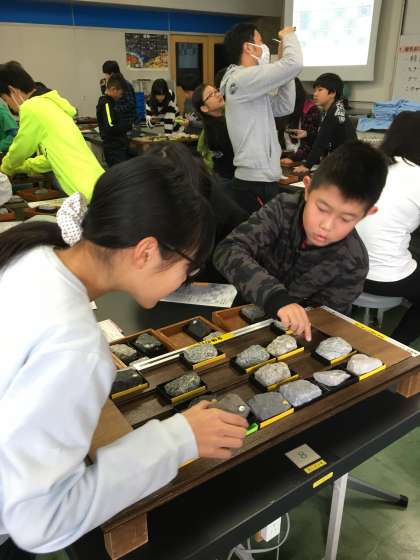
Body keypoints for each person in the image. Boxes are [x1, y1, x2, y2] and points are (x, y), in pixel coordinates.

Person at [0, 153, 247, 557]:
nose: (186, 279)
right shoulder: (75, 347)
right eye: (190, 267)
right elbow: (40, 522)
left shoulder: (32, 251)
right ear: (146, 252)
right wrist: (178, 439)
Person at [214, 141, 388, 340]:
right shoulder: (282, 209)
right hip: (243, 312)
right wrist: (276, 298)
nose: (326, 226)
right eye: (322, 209)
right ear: (307, 188)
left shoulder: (352, 262)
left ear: (367, 213)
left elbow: (326, 322)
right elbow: (228, 250)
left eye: (346, 218)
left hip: (293, 335)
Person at [220, 23, 302, 213]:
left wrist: (283, 67)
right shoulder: (242, 79)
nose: (264, 47)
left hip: (262, 179)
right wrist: (288, 36)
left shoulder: (248, 83)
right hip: (255, 182)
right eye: (260, 41)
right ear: (248, 47)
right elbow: (295, 64)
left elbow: (284, 106)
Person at [356, 112, 420, 345]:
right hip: (383, 278)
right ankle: (396, 345)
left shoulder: (370, 167)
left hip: (347, 268)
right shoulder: (416, 175)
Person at [0, 61, 104, 202]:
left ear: (12, 91)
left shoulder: (32, 107)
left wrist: (5, 168)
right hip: (99, 184)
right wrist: (21, 167)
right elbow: (50, 159)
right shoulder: (50, 105)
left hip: (84, 192)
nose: (8, 105)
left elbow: (21, 147)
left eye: (5, 99)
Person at [293, 73, 357, 175]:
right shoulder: (337, 108)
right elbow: (327, 135)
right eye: (315, 90)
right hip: (345, 160)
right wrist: (307, 134)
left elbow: (321, 143)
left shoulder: (333, 112)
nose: (315, 94)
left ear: (332, 93)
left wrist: (307, 165)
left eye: (320, 90)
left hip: (346, 165)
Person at [192, 84, 235, 180]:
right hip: (229, 178)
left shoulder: (211, 123)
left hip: (220, 175)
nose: (218, 94)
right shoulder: (218, 126)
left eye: (216, 91)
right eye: (211, 95)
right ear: (204, 108)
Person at [280, 78, 321, 165]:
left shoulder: (310, 109)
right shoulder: (282, 108)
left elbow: (311, 141)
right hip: (287, 157)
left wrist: (293, 158)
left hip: (305, 160)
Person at [96, 74, 131, 167]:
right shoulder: (106, 104)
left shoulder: (111, 103)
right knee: (120, 172)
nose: (120, 96)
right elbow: (111, 126)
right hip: (113, 148)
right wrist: (127, 126)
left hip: (118, 146)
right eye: (120, 93)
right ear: (113, 89)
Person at [100, 60, 137, 129]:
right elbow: (108, 101)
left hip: (128, 122)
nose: (105, 77)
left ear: (112, 73)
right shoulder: (110, 84)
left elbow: (131, 104)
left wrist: (114, 110)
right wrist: (103, 89)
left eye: (106, 74)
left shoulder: (125, 85)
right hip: (118, 122)